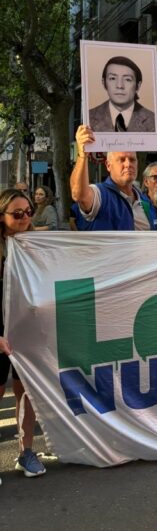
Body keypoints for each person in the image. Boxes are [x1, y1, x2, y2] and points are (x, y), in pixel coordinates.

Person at [0, 188, 46, 477]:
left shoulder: (33, 244)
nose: (24, 218)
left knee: (26, 390)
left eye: (29, 212)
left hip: (26, 329)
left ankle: (26, 452)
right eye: (17, 214)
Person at [70, 125, 157, 231]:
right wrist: (82, 155)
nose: (128, 164)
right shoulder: (100, 194)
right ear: (108, 165)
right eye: (122, 159)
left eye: (132, 160)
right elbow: (79, 195)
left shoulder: (144, 201)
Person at [89, 55, 156, 132]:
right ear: (104, 83)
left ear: (138, 85)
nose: (120, 86)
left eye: (127, 79)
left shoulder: (153, 120)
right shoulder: (89, 117)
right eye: (113, 78)